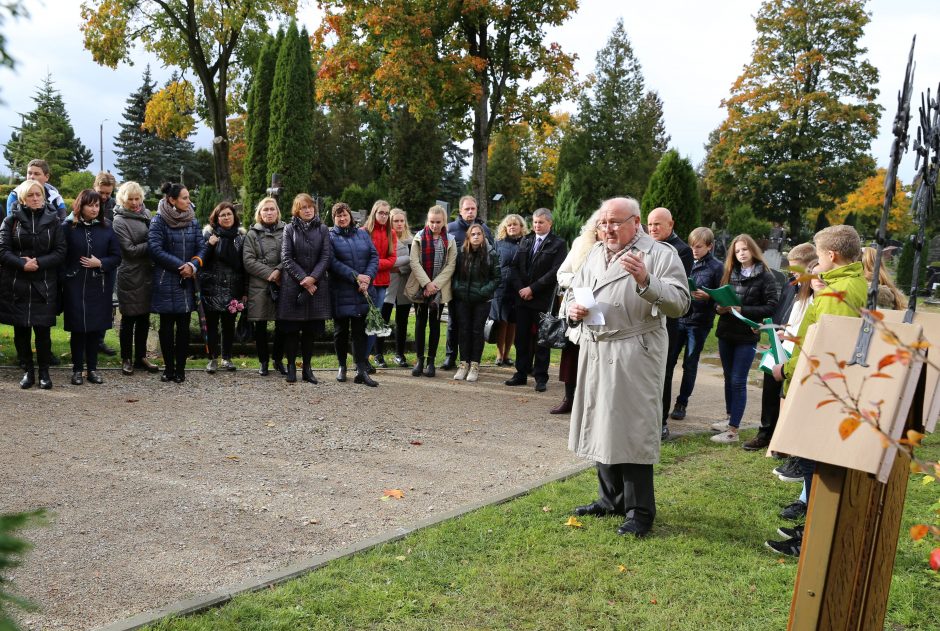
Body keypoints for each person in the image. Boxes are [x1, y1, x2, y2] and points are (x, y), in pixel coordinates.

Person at [567, 197, 690, 537]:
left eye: (615, 222)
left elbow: (680, 303)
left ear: (635, 222)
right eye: (603, 223)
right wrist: (573, 310)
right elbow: (574, 292)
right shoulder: (594, 253)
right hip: (597, 346)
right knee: (602, 421)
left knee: (632, 428)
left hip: (635, 351)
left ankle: (639, 511)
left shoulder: (661, 255)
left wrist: (647, 281)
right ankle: (610, 499)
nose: (607, 229)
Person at [766, 225, 867, 557]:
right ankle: (810, 526)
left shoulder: (840, 291)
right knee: (811, 462)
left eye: (820, 255)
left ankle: (812, 536)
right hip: (820, 381)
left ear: (831, 255)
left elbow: (823, 343)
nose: (816, 261)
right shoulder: (840, 284)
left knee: (813, 462)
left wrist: (788, 369)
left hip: (819, 383)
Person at [741, 242, 817, 451]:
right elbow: (783, 311)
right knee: (770, 388)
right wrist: (769, 326)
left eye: (796, 268)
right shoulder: (791, 284)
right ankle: (765, 433)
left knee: (787, 394)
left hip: (796, 347)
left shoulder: (815, 290)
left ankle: (783, 439)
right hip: (780, 342)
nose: (792, 273)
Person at [711, 234, 779, 443]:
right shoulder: (729, 272)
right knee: (728, 378)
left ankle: (733, 431)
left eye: (745, 250)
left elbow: (771, 306)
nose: (741, 254)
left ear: (753, 250)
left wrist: (744, 309)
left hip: (747, 335)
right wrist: (719, 308)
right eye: (737, 251)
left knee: (738, 381)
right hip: (726, 332)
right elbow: (719, 300)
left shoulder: (765, 276)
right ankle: (730, 417)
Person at [0, 179, 66, 389]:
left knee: (43, 332)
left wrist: (39, 263)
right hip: (17, 283)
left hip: (44, 284)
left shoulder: (55, 221)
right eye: (31, 195)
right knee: (21, 331)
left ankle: (44, 372)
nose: (35, 198)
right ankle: (28, 370)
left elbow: (61, 251)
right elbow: (2, 250)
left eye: (38, 194)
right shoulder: (10, 221)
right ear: (23, 198)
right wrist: (21, 264)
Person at [61, 189, 121, 385]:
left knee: (95, 330)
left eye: (97, 205)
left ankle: (92, 369)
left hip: (99, 285)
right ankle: (77, 370)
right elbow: (61, 257)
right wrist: (67, 276)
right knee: (78, 329)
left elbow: (117, 257)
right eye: (90, 205)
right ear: (81, 205)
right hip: (75, 286)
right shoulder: (67, 227)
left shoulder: (107, 228)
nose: (95, 209)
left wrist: (100, 263)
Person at [148, 182, 206, 384]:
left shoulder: (193, 220)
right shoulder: (158, 220)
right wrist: (181, 265)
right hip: (166, 279)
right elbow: (155, 249)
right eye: (184, 198)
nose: (189, 201)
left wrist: (193, 265)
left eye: (188, 197)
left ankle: (180, 369)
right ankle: (168, 368)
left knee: (183, 327)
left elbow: (202, 247)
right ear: (172, 200)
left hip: (187, 280)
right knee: (166, 327)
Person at [505, 207, 567, 392]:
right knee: (521, 338)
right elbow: (514, 267)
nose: (537, 225)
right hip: (522, 299)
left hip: (542, 299)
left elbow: (555, 271)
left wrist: (533, 289)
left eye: (541, 222)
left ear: (550, 223)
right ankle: (521, 373)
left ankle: (541, 377)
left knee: (542, 340)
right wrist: (521, 289)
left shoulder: (558, 244)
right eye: (535, 222)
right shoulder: (527, 240)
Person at [666, 227, 725, 423]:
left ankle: (682, 402)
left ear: (709, 246)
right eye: (691, 246)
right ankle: (662, 400)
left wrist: (708, 296)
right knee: (669, 360)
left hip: (699, 322)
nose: (694, 250)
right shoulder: (684, 260)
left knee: (690, 363)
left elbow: (721, 297)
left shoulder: (717, 267)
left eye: (699, 247)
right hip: (679, 317)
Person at [646, 207, 694, 440]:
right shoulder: (645, 246)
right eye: (650, 224)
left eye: (658, 224)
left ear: (670, 225)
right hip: (645, 317)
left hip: (668, 320)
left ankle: (661, 422)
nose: (653, 229)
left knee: (663, 373)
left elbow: (671, 285)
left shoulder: (681, 251)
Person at [551, 210, 602, 414]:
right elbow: (562, 273)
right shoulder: (581, 244)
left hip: (603, 311)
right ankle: (569, 399)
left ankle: (591, 404)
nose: (606, 228)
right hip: (576, 307)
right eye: (601, 224)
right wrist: (579, 284)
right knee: (571, 357)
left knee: (596, 359)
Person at [279, 194, 332, 384]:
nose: (308, 210)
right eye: (303, 207)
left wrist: (313, 278)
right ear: (297, 210)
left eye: (310, 207)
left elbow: (326, 257)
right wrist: (304, 279)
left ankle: (307, 369)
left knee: (310, 332)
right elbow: (286, 257)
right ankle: (292, 366)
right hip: (293, 287)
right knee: (292, 331)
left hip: (316, 287)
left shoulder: (323, 229)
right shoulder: (288, 229)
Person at [441, 195, 494, 370]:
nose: (470, 212)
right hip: (457, 286)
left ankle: (472, 361)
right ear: (461, 210)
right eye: (467, 209)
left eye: (473, 209)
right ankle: (451, 357)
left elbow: (492, 258)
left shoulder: (485, 229)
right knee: (454, 324)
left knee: (474, 327)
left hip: (478, 288)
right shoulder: (451, 229)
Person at [112, 181, 159, 375]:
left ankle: (141, 357)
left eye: (137, 198)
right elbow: (129, 250)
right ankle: (126, 359)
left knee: (144, 318)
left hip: (147, 273)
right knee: (129, 318)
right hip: (130, 274)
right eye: (130, 199)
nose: (134, 202)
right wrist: (152, 243)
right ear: (122, 199)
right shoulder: (118, 221)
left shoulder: (146, 215)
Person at [328, 202, 378, 387]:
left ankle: (361, 369)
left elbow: (374, 256)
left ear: (350, 216)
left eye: (344, 215)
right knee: (340, 331)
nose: (342, 218)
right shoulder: (330, 237)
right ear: (334, 219)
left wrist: (367, 278)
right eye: (338, 216)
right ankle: (342, 366)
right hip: (341, 290)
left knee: (359, 332)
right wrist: (356, 277)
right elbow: (332, 262)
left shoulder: (363, 234)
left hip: (362, 291)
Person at [405, 205, 457, 378]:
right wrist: (426, 284)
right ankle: (419, 360)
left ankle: (431, 361)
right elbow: (414, 262)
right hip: (421, 287)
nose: (435, 225)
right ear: (427, 221)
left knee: (435, 325)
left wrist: (435, 285)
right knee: (420, 324)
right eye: (432, 222)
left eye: (438, 222)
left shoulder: (450, 239)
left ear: (443, 222)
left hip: (439, 290)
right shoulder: (419, 237)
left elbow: (451, 265)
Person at [243, 197, 287, 376]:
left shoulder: (287, 231)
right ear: (259, 213)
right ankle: (263, 361)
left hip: (282, 283)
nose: (269, 213)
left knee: (282, 325)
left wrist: (279, 270)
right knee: (260, 326)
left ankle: (278, 359)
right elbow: (248, 261)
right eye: (265, 210)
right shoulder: (252, 234)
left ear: (277, 212)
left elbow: (291, 255)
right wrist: (271, 274)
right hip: (260, 285)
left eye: (272, 209)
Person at [451, 223, 501, 381]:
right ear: (468, 236)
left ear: (483, 236)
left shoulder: (490, 253)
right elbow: (454, 275)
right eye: (473, 234)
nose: (476, 236)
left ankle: (474, 365)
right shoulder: (461, 252)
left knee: (477, 331)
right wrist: (458, 289)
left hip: (482, 300)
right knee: (464, 331)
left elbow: (496, 277)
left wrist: (484, 291)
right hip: (463, 299)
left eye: (479, 234)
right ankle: (463, 364)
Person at [201, 201, 246, 373]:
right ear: (216, 218)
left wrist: (244, 291)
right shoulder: (209, 235)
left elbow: (243, 265)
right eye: (222, 215)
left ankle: (227, 358)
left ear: (234, 216)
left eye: (229, 214)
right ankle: (212, 359)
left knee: (228, 326)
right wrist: (210, 244)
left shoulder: (241, 237)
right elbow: (202, 259)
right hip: (211, 287)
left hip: (233, 287)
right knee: (211, 326)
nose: (226, 217)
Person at [363, 199, 397, 369]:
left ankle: (364, 358)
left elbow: (392, 259)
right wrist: (377, 264)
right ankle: (360, 358)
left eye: (386, 213)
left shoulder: (391, 233)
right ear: (374, 213)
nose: (383, 216)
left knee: (374, 323)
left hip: (382, 283)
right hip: (365, 283)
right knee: (362, 321)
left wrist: (374, 263)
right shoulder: (364, 231)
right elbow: (361, 258)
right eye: (380, 213)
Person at [491, 214, 527, 366]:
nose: (512, 227)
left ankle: (507, 355)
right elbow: (492, 264)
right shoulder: (498, 243)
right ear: (505, 228)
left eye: (515, 225)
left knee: (513, 322)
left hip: (518, 289)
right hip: (501, 287)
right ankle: (499, 355)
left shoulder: (526, 243)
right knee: (502, 321)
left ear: (521, 227)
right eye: (509, 225)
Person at [380, 208, 413, 367]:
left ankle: (399, 354)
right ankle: (378, 354)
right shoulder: (386, 239)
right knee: (383, 319)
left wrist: (397, 267)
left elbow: (414, 263)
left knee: (402, 320)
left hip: (405, 285)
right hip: (387, 284)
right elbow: (382, 260)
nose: (399, 224)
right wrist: (390, 266)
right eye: (396, 221)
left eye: (402, 221)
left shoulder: (411, 240)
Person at [93, 172, 119, 356]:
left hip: (108, 259)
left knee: (106, 303)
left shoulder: (115, 205)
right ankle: (86, 341)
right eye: (101, 192)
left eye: (107, 194)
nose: (104, 197)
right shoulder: (86, 201)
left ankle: (99, 340)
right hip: (88, 258)